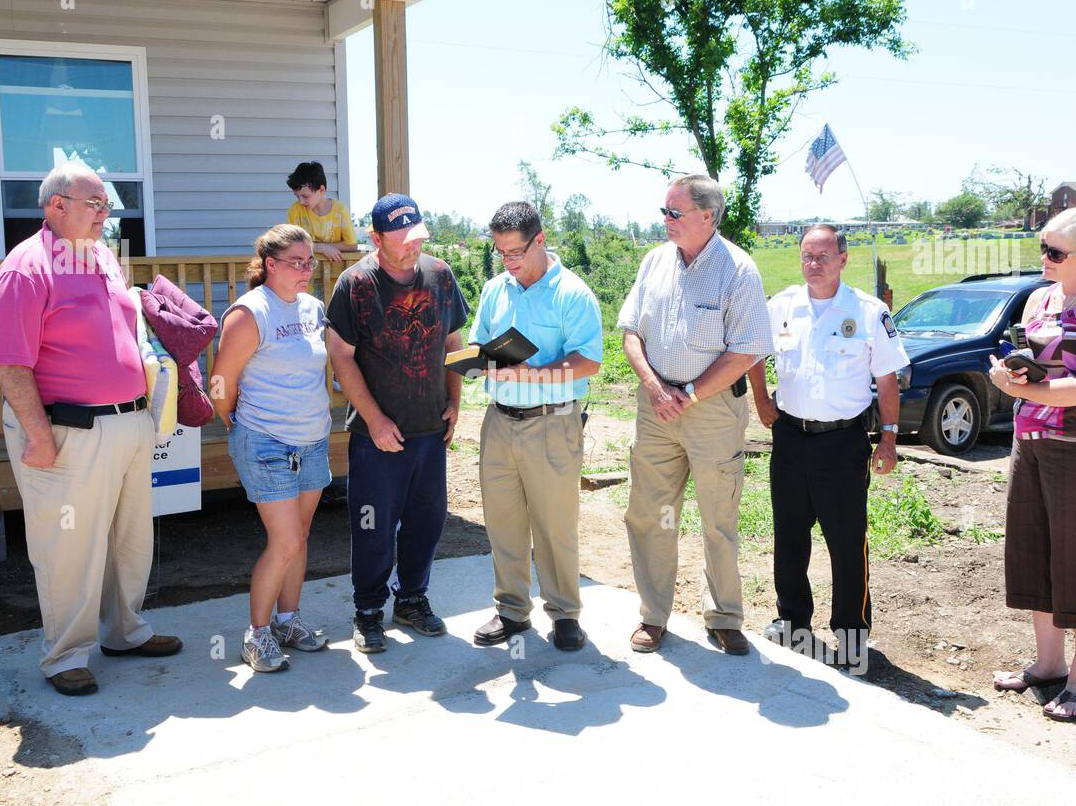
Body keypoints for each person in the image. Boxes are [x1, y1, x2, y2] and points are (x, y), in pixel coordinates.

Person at [0, 162, 181, 696]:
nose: (107, 213)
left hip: (128, 422)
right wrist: (39, 435)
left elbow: (128, 332)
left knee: (129, 540)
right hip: (67, 429)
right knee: (67, 546)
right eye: (95, 203)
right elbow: (10, 365)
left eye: (107, 203)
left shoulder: (102, 257)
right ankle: (65, 655)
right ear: (56, 206)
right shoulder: (26, 269)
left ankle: (125, 631)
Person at [617, 174, 774, 655]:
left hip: (711, 412)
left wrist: (687, 392)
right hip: (655, 410)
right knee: (651, 515)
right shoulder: (655, 262)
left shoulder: (739, 271)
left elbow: (746, 352)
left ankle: (724, 617)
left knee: (717, 517)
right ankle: (654, 616)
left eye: (674, 212)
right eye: (664, 211)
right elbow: (629, 332)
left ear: (707, 216)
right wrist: (654, 387)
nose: (665, 221)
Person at [988, 204, 1076, 723]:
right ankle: (1047, 664)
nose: (1042, 257)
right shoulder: (1039, 298)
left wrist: (1025, 387)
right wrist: (1013, 376)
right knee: (1034, 550)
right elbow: (1040, 368)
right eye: (1042, 247)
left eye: (1053, 251)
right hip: (1032, 438)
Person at [749, 224, 909, 670]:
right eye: (806, 256)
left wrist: (890, 437)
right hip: (791, 438)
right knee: (790, 538)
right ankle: (793, 625)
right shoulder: (780, 307)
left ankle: (851, 636)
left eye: (822, 256)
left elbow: (888, 377)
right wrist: (762, 400)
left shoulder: (869, 311)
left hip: (843, 443)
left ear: (843, 259)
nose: (813, 264)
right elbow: (754, 354)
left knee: (846, 542)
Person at [326, 194, 469, 653]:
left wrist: (455, 399)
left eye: (417, 240)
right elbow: (341, 357)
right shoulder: (355, 284)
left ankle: (412, 599)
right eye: (401, 241)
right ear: (376, 239)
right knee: (373, 526)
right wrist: (374, 418)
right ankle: (367, 611)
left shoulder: (441, 275)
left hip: (429, 428)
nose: (412, 249)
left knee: (427, 522)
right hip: (376, 436)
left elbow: (453, 341)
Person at [468, 202, 603, 652]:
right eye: (500, 252)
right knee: (503, 523)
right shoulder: (494, 289)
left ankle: (564, 613)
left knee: (553, 524)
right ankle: (511, 611)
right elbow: (478, 340)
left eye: (515, 252)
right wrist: (478, 362)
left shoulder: (573, 293)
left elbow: (590, 359)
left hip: (552, 423)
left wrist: (537, 374)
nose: (508, 261)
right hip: (499, 423)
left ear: (540, 241)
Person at [211, 224, 332, 673]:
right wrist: (234, 422)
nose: (305, 270)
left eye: (310, 262)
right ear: (269, 265)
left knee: (299, 539)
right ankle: (257, 635)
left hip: (313, 438)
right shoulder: (249, 313)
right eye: (296, 262)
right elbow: (221, 383)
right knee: (282, 541)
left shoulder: (313, 308)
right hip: (265, 442)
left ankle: (287, 620)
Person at [286, 161, 357, 264]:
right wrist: (320, 248)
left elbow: (351, 245)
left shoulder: (340, 211)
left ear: (322, 190)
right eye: (297, 196)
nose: (300, 201)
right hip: (305, 276)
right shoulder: (295, 210)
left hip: (334, 276)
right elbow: (290, 244)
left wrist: (313, 247)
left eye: (305, 196)